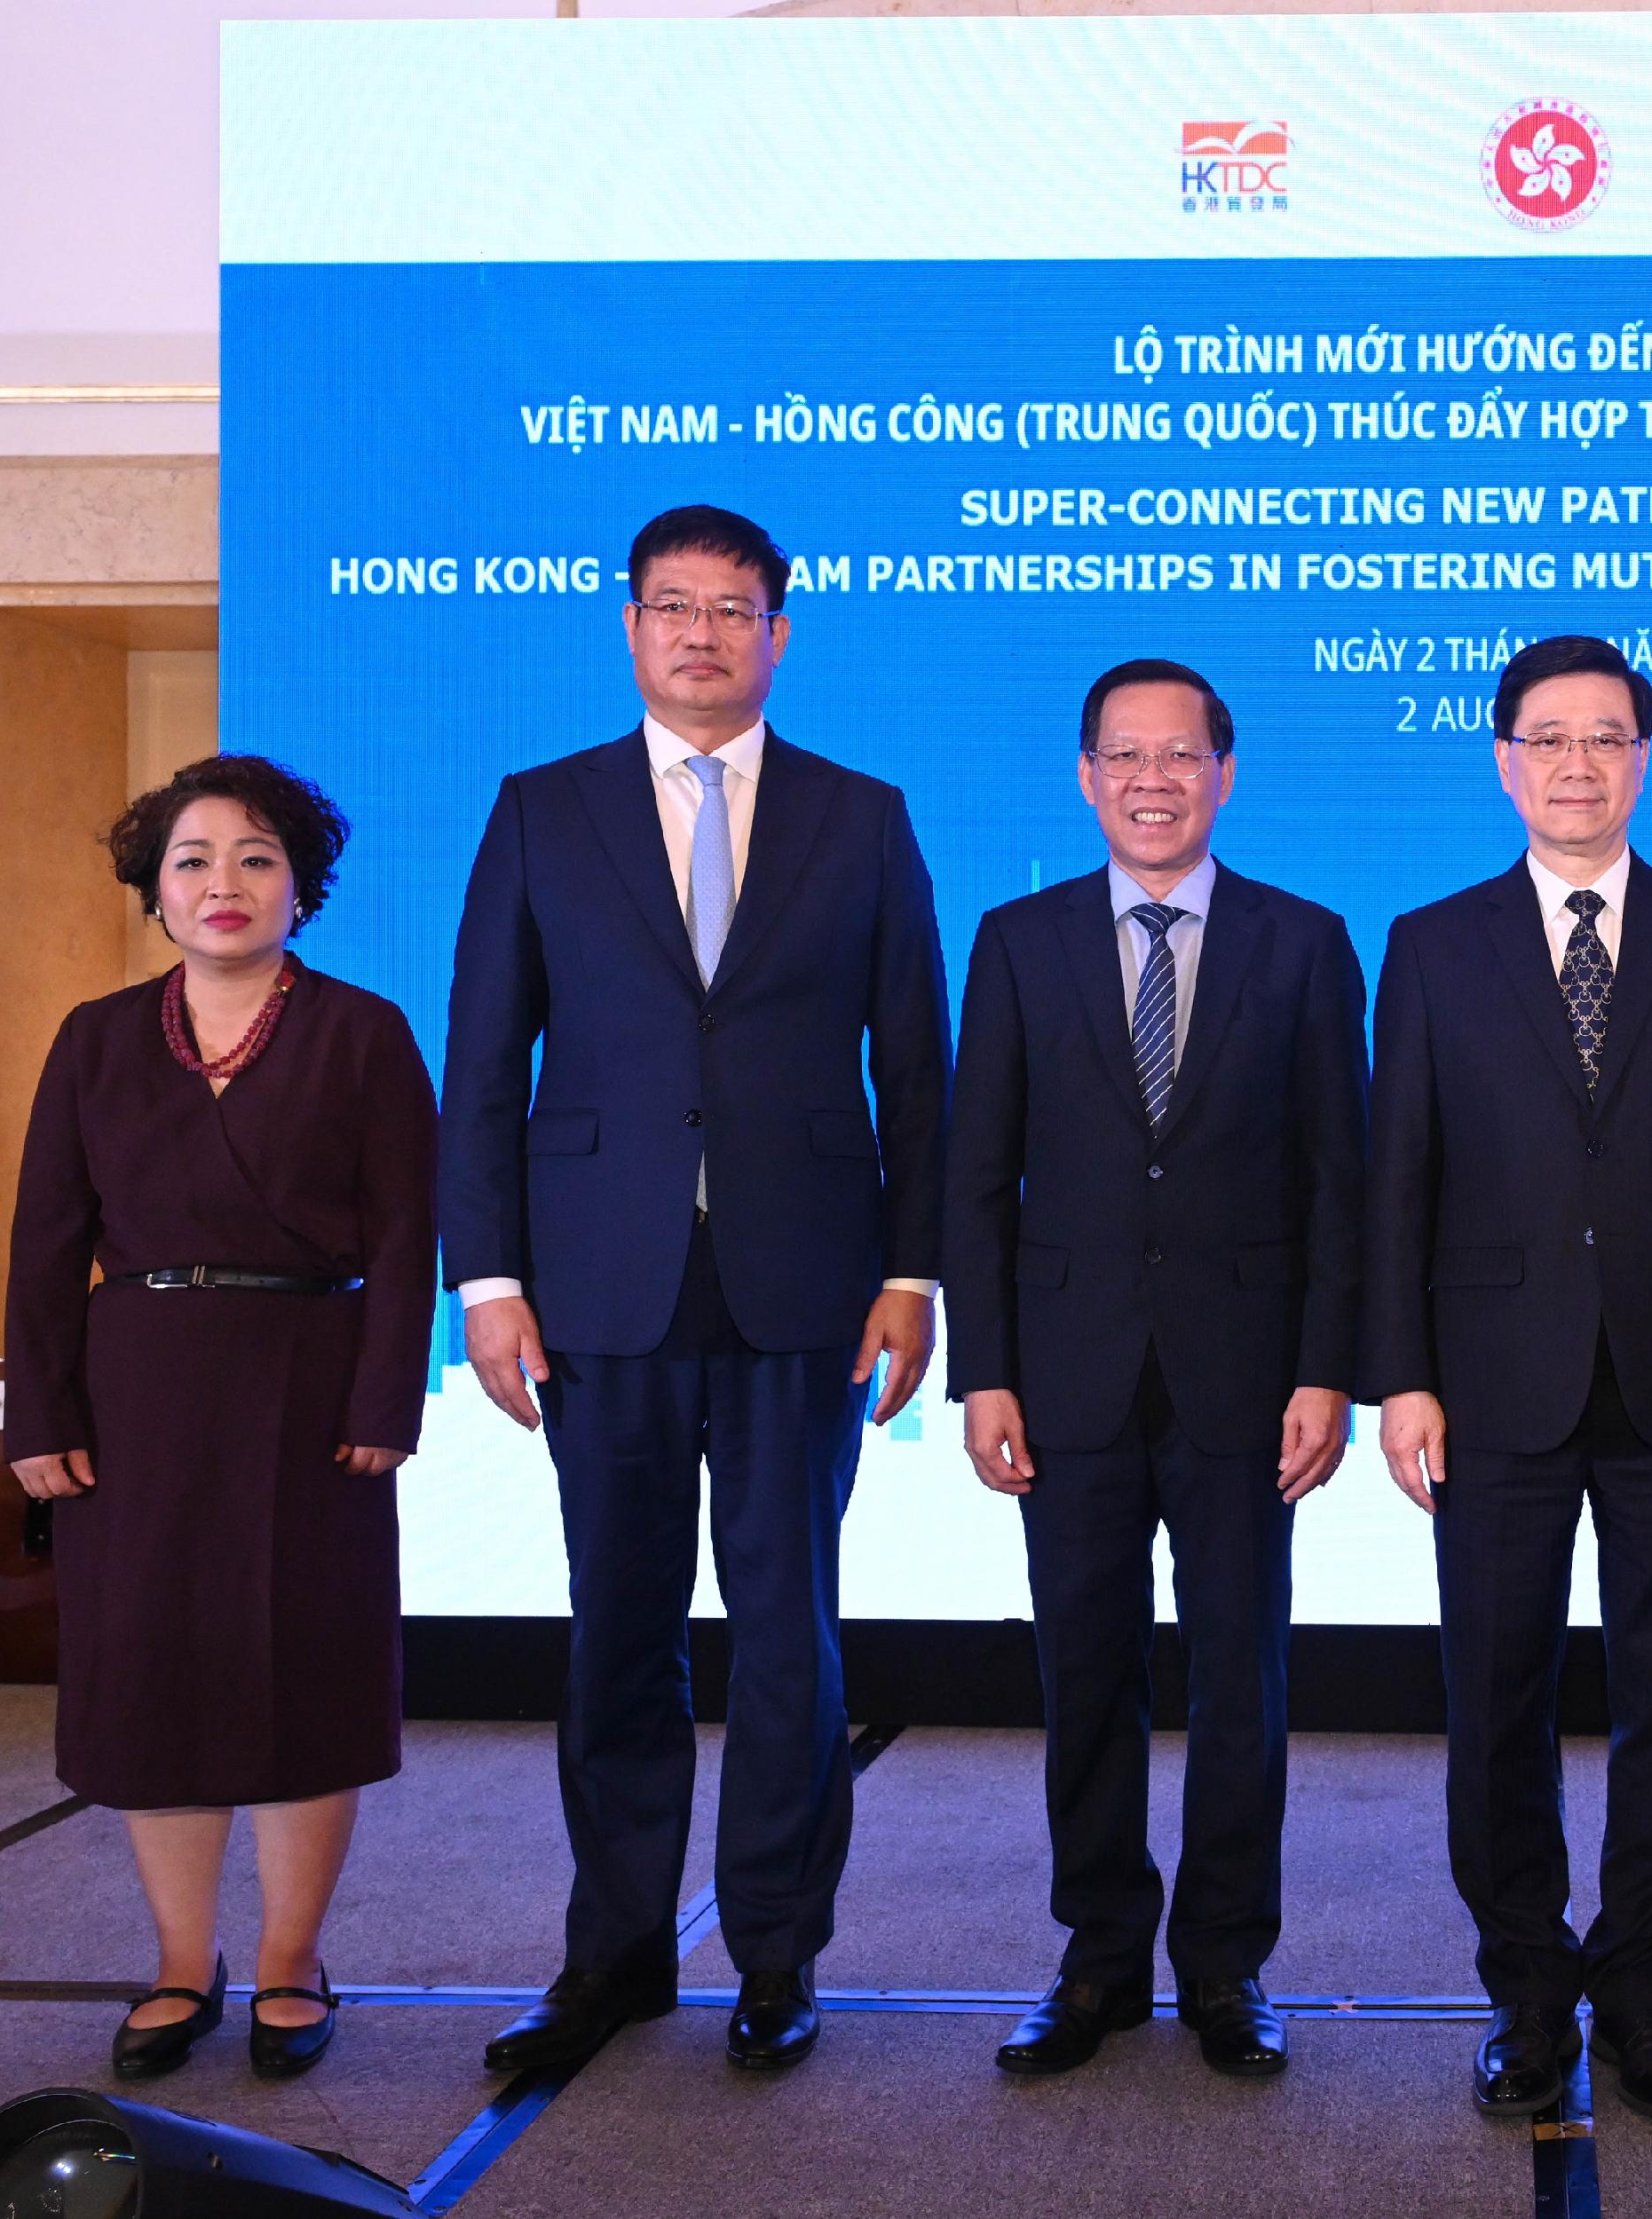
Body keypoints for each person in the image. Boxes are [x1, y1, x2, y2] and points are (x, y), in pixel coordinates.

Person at [442, 503, 950, 2076]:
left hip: (807, 1285)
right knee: (618, 1633)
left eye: (736, 610)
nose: (704, 635)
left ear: (779, 633)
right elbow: (480, 1065)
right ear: (631, 625)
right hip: (599, 1288)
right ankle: (611, 1958)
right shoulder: (543, 809)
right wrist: (490, 1284)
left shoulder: (861, 816)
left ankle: (778, 1956)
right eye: (675, 607)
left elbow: (914, 1073)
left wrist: (915, 1272)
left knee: (792, 1637)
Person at [1363, 633, 1652, 2128]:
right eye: (1546, 739)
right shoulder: (1430, 944)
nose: (1575, 763)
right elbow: (1398, 1182)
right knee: (1496, 1699)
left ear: (1643, 755)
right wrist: (1400, 1376)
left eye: (1605, 737)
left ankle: (1641, 1996)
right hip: (1489, 1384)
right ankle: (1528, 1994)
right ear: (1503, 761)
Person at [945, 658, 1368, 2081]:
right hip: (1063, 1378)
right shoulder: (1015, 940)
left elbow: (1338, 1185)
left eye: (1180, 756)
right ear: (1085, 776)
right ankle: (1100, 1958)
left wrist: (1329, 1370)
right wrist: (984, 1370)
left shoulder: (1306, 944)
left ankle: (1228, 1966)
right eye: (1125, 756)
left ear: (1224, 775)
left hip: (1250, 1382)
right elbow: (976, 1177)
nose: (1152, 780)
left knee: (1241, 1680)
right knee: (1086, 1674)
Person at [4, 754, 436, 2084]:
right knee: (157, 1676)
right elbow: (43, 1242)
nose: (224, 885)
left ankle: (295, 1961)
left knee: (302, 1666)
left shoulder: (364, 1032)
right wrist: (40, 1413)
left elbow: (408, 1232)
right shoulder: (95, 1037)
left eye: (256, 858)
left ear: (301, 885)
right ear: (155, 891)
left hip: (312, 1389)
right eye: (192, 860)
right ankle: (182, 1963)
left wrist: (387, 1399)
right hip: (135, 1391)